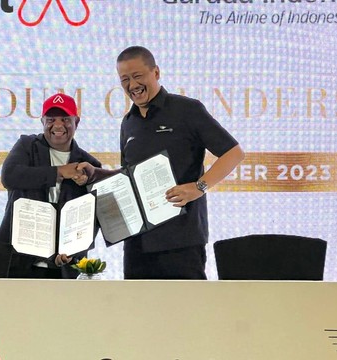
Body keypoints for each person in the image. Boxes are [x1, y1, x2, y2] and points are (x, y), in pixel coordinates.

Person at [81, 46, 244, 279]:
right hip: (137, 242)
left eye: (138, 76)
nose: (132, 85)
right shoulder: (128, 123)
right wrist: (96, 174)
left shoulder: (187, 109)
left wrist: (199, 187)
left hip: (181, 240)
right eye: (124, 79)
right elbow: (129, 177)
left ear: (156, 73)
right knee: (138, 313)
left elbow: (234, 153)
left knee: (186, 312)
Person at [0, 93, 100, 278]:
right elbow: (9, 176)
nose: (58, 125)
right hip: (19, 264)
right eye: (51, 119)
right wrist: (59, 172)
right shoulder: (27, 145)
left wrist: (72, 252)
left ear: (77, 121)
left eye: (65, 119)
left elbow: (93, 220)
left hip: (63, 270)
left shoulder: (89, 165)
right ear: (42, 121)